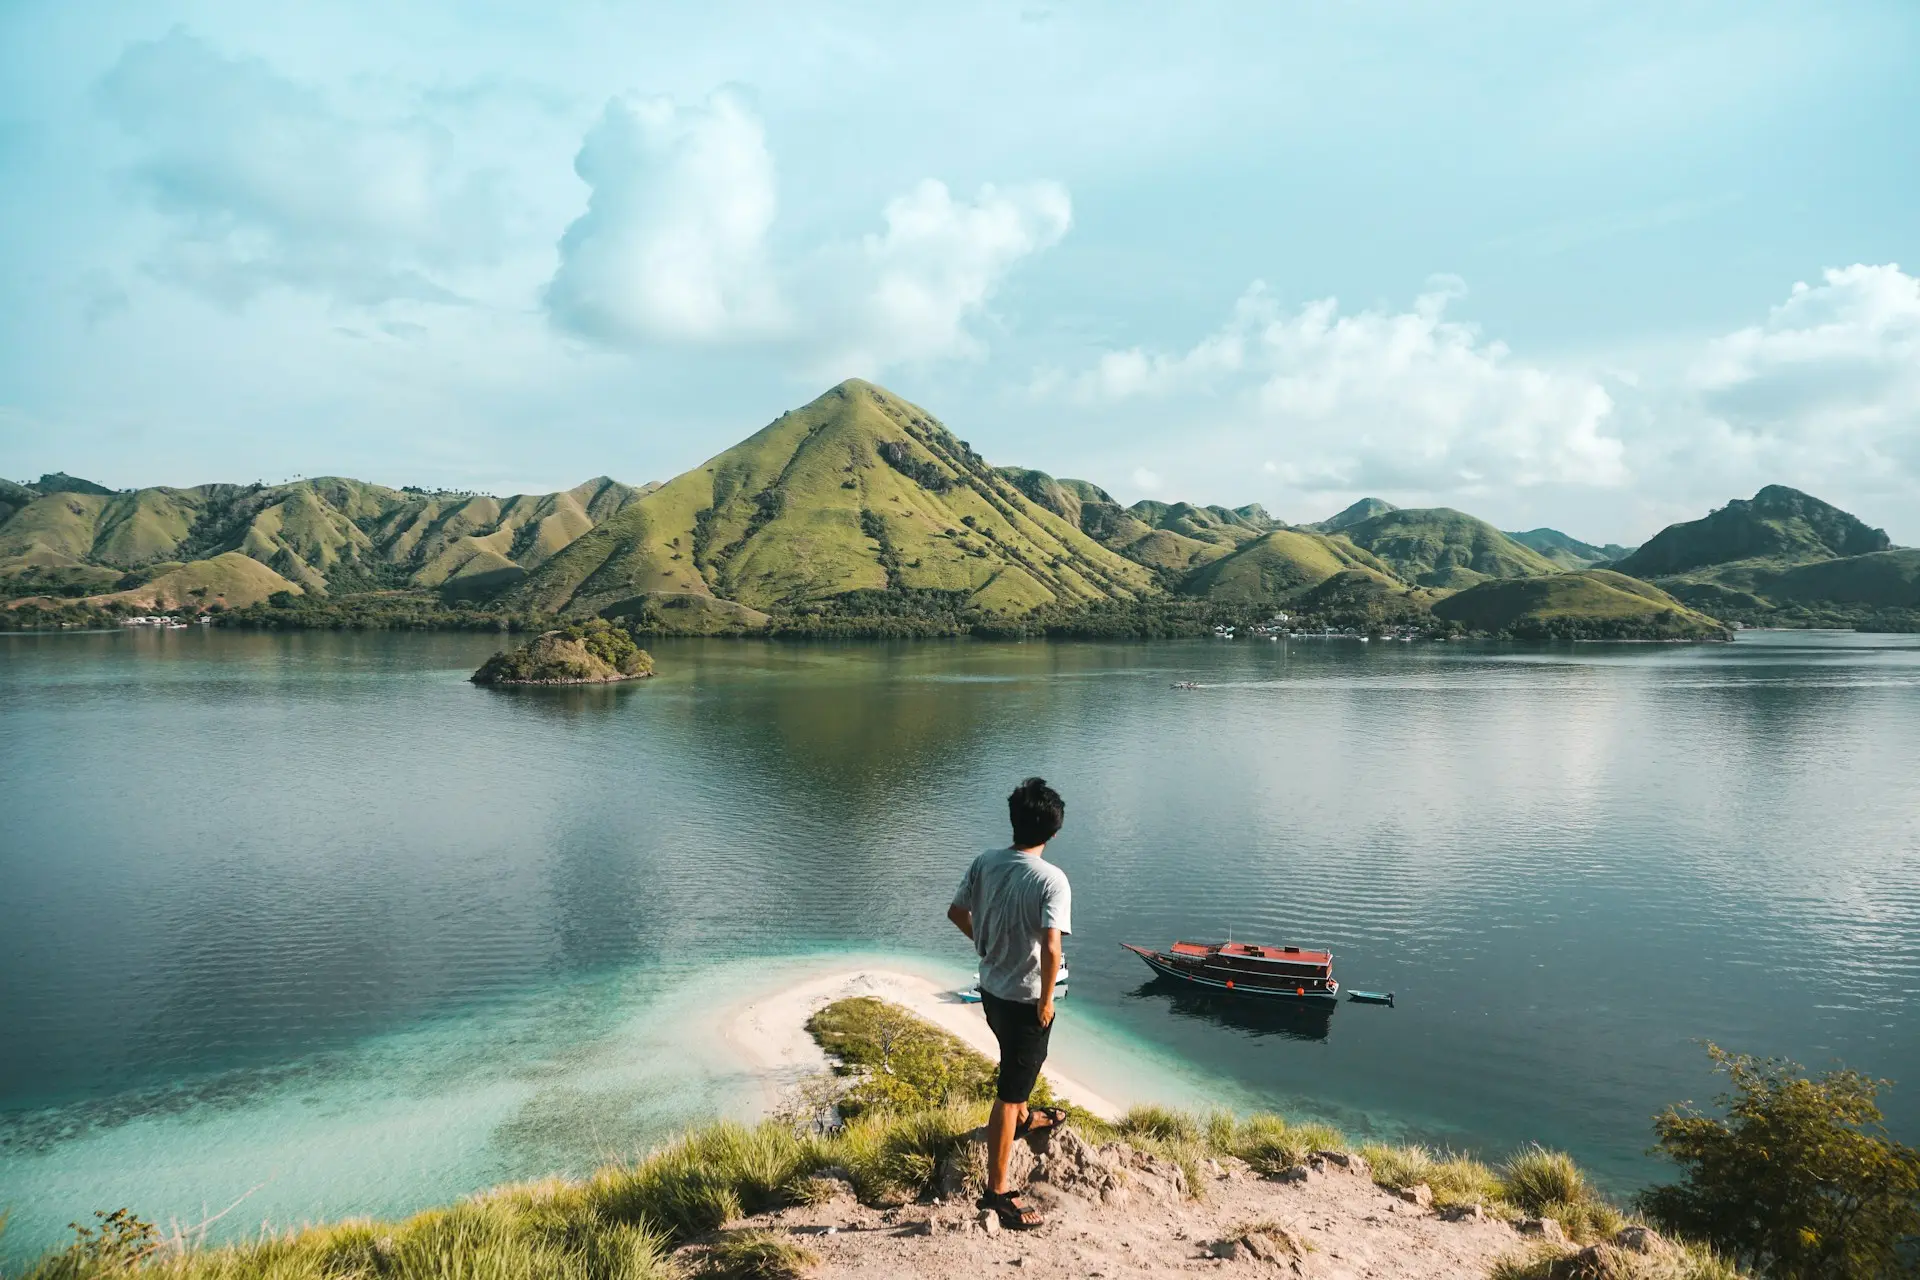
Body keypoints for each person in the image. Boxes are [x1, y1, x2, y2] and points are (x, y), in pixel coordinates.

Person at [947, 776, 1073, 1231]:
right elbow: (1053, 949)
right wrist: (1045, 1002)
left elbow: (957, 912)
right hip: (1024, 998)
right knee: (1009, 1091)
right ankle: (997, 1193)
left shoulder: (986, 861)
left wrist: (984, 945)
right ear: (1053, 832)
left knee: (1014, 1067)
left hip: (992, 990)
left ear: (1014, 820)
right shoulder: (1051, 880)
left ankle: (1027, 1119)